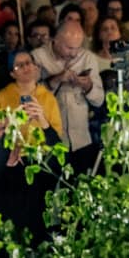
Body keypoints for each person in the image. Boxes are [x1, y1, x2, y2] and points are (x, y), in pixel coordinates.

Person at [31, 21, 103, 173]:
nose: (74, 53)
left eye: (78, 48)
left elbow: (99, 100)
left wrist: (88, 86)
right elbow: (31, 97)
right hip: (50, 140)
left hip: (81, 140)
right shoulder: (38, 57)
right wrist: (56, 79)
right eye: (69, 48)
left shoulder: (88, 58)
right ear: (55, 40)